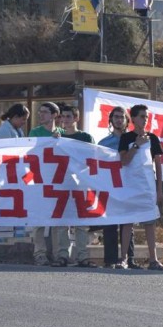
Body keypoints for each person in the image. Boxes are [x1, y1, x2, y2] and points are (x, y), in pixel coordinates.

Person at [119, 104, 163, 271]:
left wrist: (159, 188)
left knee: (149, 223)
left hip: (147, 187)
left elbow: (158, 164)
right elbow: (124, 161)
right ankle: (123, 259)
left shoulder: (153, 138)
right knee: (127, 223)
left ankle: (153, 260)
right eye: (141, 116)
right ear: (133, 119)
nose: (144, 119)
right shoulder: (126, 138)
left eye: (146, 117)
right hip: (130, 186)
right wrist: (136, 145)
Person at [50, 105, 97, 268]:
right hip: (63, 182)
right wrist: (54, 140)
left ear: (76, 118)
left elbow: (93, 158)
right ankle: (63, 255)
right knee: (63, 221)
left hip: (82, 183)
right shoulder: (57, 137)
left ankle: (82, 256)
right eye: (62, 117)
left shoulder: (85, 137)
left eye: (68, 116)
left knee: (81, 222)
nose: (64, 120)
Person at [99, 106, 138, 269]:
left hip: (128, 186)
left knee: (128, 224)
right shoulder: (103, 143)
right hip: (110, 187)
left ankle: (129, 259)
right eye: (115, 117)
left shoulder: (134, 140)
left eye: (122, 117)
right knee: (110, 225)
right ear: (111, 120)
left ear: (127, 120)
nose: (119, 120)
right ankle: (110, 260)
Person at [28, 102, 62, 265]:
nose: (41, 115)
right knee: (40, 219)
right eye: (39, 112)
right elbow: (31, 152)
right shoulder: (35, 132)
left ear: (55, 115)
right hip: (39, 180)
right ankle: (39, 253)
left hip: (58, 180)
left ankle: (57, 254)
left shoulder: (62, 133)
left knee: (57, 219)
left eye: (45, 112)